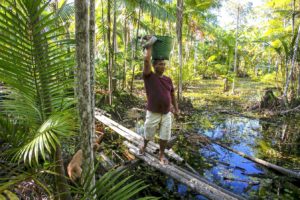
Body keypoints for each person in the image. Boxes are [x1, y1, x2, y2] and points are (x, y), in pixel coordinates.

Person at [139, 37, 179, 165]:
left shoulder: (168, 79)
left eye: (163, 64)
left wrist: (176, 109)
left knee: (165, 135)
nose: (162, 66)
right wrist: (149, 46)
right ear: (154, 66)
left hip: (166, 113)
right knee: (148, 132)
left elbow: (172, 95)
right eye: (160, 64)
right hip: (153, 112)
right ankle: (144, 146)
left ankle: (161, 155)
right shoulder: (149, 76)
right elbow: (146, 60)